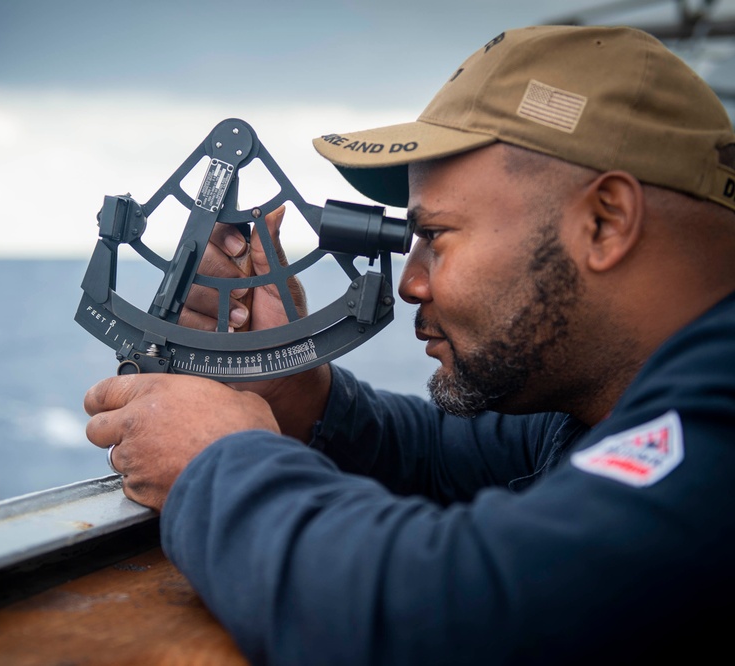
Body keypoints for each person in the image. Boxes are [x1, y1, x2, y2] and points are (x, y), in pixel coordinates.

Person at [84, 25, 735, 664]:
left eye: (439, 236)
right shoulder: (609, 405)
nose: (414, 281)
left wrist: (218, 463)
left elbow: (450, 616)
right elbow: (438, 460)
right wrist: (296, 393)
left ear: (605, 222)